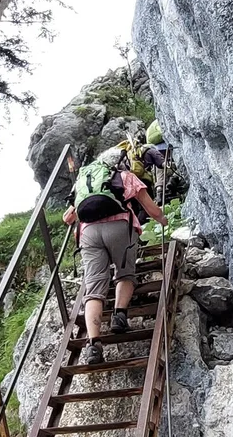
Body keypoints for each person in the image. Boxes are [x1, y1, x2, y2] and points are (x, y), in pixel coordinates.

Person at [62, 145, 166, 364]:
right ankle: (119, 316)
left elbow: (68, 218)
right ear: (118, 163)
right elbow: (150, 208)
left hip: (88, 233)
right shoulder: (124, 175)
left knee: (94, 289)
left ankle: (93, 345)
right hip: (119, 227)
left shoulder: (82, 182)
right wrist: (163, 221)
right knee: (125, 274)